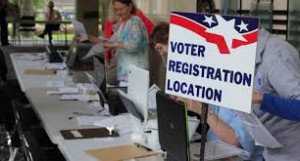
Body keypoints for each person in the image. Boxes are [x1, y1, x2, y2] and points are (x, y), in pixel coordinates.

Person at [150, 22, 259, 161]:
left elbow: (236, 142)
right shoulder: (210, 82)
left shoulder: (242, 91)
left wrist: (202, 109)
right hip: (208, 148)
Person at [251, 28, 300, 161]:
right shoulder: (249, 52)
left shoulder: (277, 55)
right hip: (271, 151)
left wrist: (261, 98)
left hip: (292, 153)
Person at [88, 0, 149, 84]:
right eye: (116, 10)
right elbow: (112, 41)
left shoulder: (135, 22)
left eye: (121, 9)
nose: (119, 12)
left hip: (136, 72)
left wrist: (113, 44)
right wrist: (94, 40)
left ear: (130, 6)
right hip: (125, 72)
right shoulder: (124, 23)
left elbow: (135, 45)